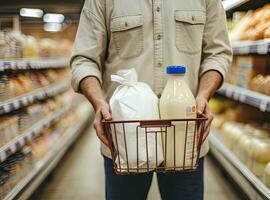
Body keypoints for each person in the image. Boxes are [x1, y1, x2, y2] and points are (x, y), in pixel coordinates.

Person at [71, 0, 232, 199]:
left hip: (185, 138)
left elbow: (218, 53)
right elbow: (84, 60)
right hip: (124, 139)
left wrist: (203, 95)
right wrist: (99, 103)